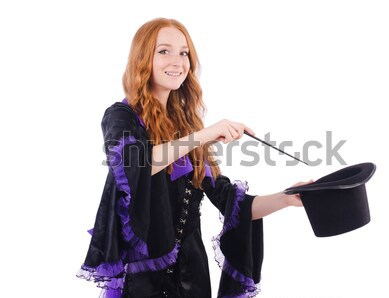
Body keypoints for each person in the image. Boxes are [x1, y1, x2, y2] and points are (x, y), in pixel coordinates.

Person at [77, 18, 310, 298]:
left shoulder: (187, 128)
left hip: (193, 279)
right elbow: (134, 164)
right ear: (143, 58)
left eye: (184, 52)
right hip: (142, 282)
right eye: (164, 51)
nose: (177, 61)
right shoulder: (121, 117)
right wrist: (204, 134)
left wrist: (288, 197)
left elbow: (230, 202)